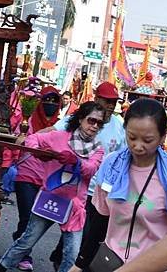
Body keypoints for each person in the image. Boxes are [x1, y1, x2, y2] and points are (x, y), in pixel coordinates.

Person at [69, 98, 167, 272]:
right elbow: (100, 220)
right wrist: (79, 264)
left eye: (147, 140)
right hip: (110, 263)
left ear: (163, 137)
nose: (138, 146)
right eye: (132, 137)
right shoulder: (111, 165)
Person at [0, 101, 105, 272]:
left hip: (74, 207)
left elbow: (91, 169)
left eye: (99, 123)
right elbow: (32, 139)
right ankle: (1, 269)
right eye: (91, 120)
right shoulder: (59, 137)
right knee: (27, 240)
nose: (94, 126)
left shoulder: (98, 149)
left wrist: (76, 162)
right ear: (81, 119)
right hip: (50, 198)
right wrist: (38, 152)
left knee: (72, 254)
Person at [48, 81, 127, 272]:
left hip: (100, 193)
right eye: (106, 100)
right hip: (75, 185)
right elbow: (53, 132)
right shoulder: (83, 117)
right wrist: (29, 138)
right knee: (76, 230)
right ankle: (63, 259)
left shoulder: (120, 126)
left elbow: (126, 156)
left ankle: (61, 258)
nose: (110, 105)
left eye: (114, 102)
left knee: (86, 233)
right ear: (96, 98)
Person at [7, 86, 62, 270]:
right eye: (47, 100)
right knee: (27, 215)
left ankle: (19, 245)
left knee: (37, 220)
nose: (51, 104)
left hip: (48, 180)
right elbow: (15, 145)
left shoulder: (61, 125)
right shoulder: (27, 121)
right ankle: (24, 255)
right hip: (27, 174)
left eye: (55, 101)